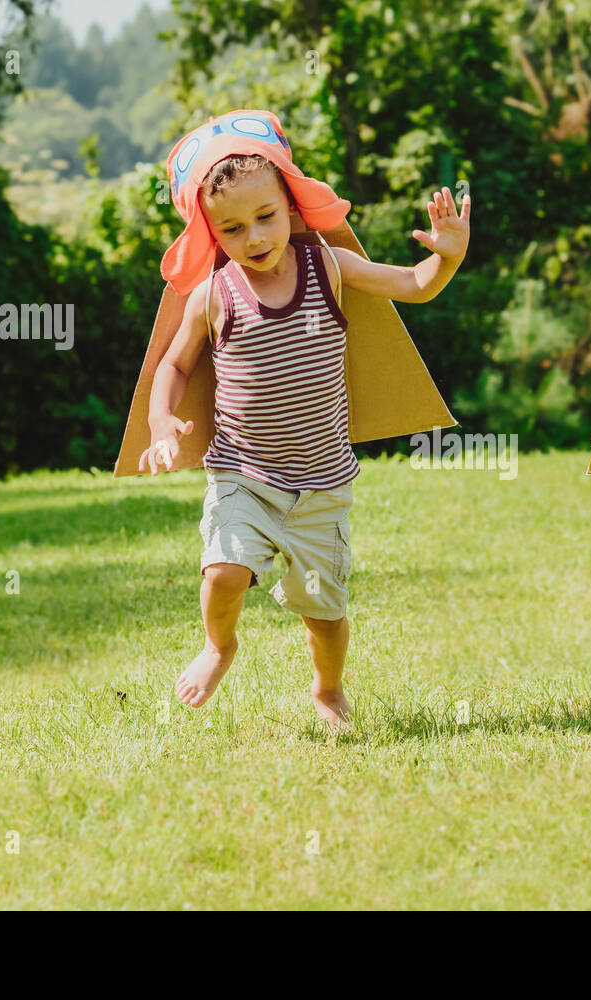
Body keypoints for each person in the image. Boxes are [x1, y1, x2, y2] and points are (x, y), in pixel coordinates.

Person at [140, 110, 471, 728]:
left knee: (324, 613)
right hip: (244, 473)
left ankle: (327, 688)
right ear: (212, 234)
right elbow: (173, 367)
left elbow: (414, 284)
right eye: (233, 228)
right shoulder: (214, 295)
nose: (256, 236)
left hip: (322, 484)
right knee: (223, 570)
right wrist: (163, 425)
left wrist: (446, 258)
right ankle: (219, 645)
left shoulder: (328, 267)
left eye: (266, 216)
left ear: (291, 206)